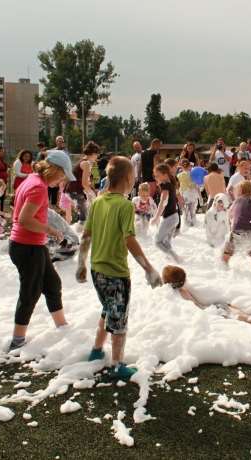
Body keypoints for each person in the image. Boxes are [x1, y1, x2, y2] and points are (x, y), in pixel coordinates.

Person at [76, 156, 161, 379]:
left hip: (96, 270)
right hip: (116, 273)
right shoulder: (124, 205)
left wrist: (80, 265)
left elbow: (86, 236)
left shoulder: (97, 203)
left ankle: (96, 351)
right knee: (120, 319)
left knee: (107, 310)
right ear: (129, 178)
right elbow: (129, 239)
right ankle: (117, 365)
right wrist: (149, 268)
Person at [7, 151, 76, 351]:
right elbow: (24, 218)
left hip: (32, 245)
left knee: (53, 284)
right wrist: (51, 230)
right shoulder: (38, 187)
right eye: (62, 175)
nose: (62, 180)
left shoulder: (33, 180)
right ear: (52, 169)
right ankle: (17, 340)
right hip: (27, 246)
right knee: (30, 293)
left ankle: (62, 327)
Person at [161, 265, 251, 326]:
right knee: (243, 314)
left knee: (244, 318)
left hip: (212, 311)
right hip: (215, 306)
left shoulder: (178, 293)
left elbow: (192, 308)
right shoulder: (185, 289)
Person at [222, 181, 251, 272]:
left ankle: (223, 270)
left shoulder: (236, 201)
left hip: (236, 232)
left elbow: (229, 214)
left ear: (240, 191)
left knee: (226, 254)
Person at [151, 164, 184, 262]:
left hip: (169, 217)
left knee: (157, 242)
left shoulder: (166, 186)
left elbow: (163, 202)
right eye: (155, 176)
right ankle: (170, 258)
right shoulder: (171, 184)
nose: (155, 178)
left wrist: (156, 217)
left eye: (157, 175)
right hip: (175, 216)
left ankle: (174, 256)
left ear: (165, 175)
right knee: (166, 241)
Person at [65, 141, 99, 232]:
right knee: (84, 217)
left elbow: (85, 182)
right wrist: (92, 194)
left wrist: (88, 194)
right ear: (94, 154)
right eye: (97, 155)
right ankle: (79, 236)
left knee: (85, 213)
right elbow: (84, 183)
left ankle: (81, 234)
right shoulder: (86, 164)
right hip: (74, 191)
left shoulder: (82, 161)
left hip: (72, 191)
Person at [178, 159, 202, 227]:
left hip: (184, 195)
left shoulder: (179, 175)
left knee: (186, 211)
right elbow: (197, 187)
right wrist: (200, 197)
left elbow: (178, 187)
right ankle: (195, 224)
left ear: (181, 167)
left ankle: (186, 226)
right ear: (190, 166)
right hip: (193, 194)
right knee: (192, 211)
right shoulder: (192, 175)